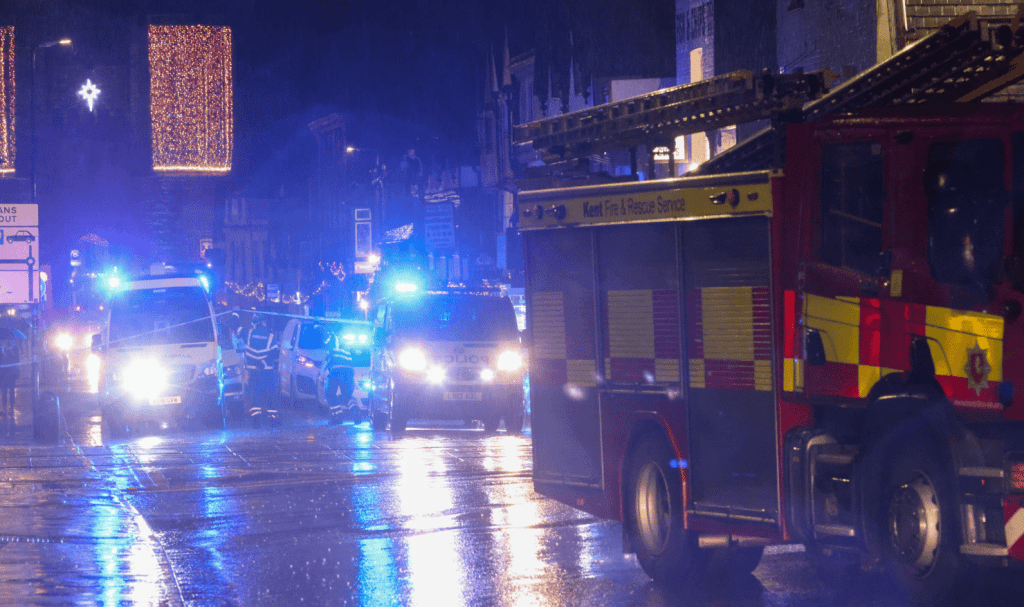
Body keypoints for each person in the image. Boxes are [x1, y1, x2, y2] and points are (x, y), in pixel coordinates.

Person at [244, 314, 280, 427]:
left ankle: (256, 421)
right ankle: (273, 419)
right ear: (262, 323)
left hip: (253, 372)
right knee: (271, 394)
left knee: (255, 395)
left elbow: (234, 325)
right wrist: (264, 362)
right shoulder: (270, 335)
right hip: (267, 371)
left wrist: (235, 312)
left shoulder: (248, 333)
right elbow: (275, 353)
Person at [322, 335, 355, 425]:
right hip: (349, 372)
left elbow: (327, 363)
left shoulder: (331, 350)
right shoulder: (346, 351)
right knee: (346, 395)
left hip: (336, 371)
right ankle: (355, 411)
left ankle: (337, 416)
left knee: (329, 393)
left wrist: (321, 373)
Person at [0, 337, 19, 416]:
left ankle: (11, 407)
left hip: (11, 374)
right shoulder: (2, 349)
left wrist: (10, 351)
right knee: (4, 390)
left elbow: (16, 360)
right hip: (4, 374)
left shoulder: (14, 349)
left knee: (11, 390)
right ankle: (4, 407)